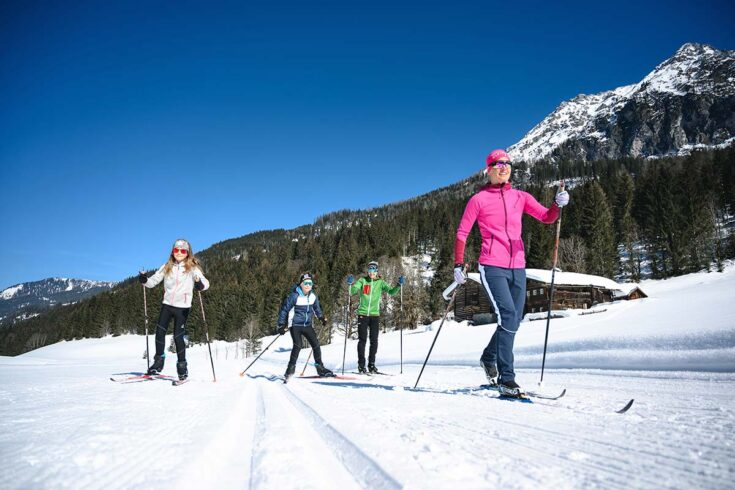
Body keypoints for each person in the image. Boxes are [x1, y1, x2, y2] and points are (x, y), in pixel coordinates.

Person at [453, 149, 569, 397]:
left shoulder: (521, 197)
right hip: (492, 265)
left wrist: (557, 205)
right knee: (507, 314)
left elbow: (547, 217)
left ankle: (488, 357)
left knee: (514, 319)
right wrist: (458, 264)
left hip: (518, 264)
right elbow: (462, 233)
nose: (503, 167)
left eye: (507, 163)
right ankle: (508, 378)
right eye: (498, 164)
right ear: (489, 170)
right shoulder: (478, 200)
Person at [138, 239, 210, 381]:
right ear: (172, 251)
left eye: (182, 251)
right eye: (176, 250)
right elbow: (153, 281)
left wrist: (200, 285)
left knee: (178, 336)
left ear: (187, 253)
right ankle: (158, 363)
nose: (179, 253)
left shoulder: (193, 268)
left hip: (182, 307)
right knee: (159, 332)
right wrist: (144, 280)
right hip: (167, 305)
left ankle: (182, 368)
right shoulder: (167, 266)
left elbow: (206, 283)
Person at [277, 273, 334, 381]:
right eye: (305, 283)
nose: (308, 285)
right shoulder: (294, 296)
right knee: (298, 345)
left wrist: (321, 318)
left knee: (316, 345)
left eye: (310, 283)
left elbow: (317, 308)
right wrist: (281, 325)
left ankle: (320, 368)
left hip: (307, 325)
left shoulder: (313, 296)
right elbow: (284, 310)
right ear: (301, 284)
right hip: (295, 325)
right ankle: (290, 369)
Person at [348, 261, 403, 374]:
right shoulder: (363, 280)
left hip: (374, 315)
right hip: (363, 314)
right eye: (370, 270)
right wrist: (351, 284)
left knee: (374, 341)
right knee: (362, 340)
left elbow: (391, 292)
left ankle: (371, 364)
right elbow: (352, 292)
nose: (371, 272)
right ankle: (361, 365)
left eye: (373, 270)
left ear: (377, 271)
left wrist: (398, 285)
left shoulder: (381, 282)